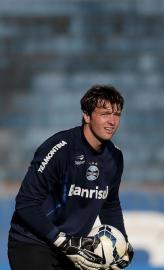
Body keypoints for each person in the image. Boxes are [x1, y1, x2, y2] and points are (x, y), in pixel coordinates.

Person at [8, 85, 133, 270]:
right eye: (105, 114)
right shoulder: (60, 148)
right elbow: (26, 203)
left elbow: (109, 204)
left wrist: (122, 245)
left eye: (117, 114)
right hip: (33, 243)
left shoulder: (115, 157)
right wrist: (59, 239)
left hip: (73, 249)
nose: (112, 121)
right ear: (87, 116)